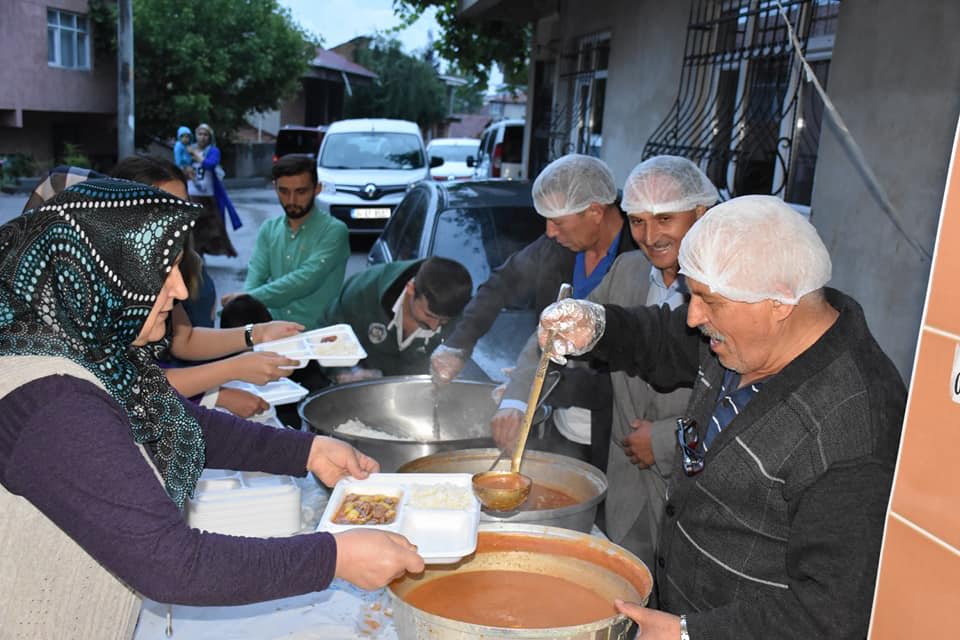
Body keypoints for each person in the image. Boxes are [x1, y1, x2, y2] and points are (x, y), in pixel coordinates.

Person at [0, 179, 424, 637]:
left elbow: (172, 418)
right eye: (160, 271)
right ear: (92, 278)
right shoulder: (55, 404)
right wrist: (334, 558)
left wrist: (306, 451)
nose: (181, 290)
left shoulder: (88, 354)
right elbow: (170, 562)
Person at [538, 195, 906, 639]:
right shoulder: (743, 337)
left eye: (708, 300)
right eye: (692, 294)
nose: (694, 316)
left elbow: (831, 615)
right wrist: (597, 326)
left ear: (779, 301)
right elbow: (663, 338)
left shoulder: (854, 428)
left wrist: (690, 633)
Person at [495, 156, 719, 573]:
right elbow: (561, 326)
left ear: (702, 213)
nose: (650, 236)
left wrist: (667, 439)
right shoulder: (628, 269)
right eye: (638, 222)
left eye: (665, 219)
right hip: (626, 486)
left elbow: (748, 394)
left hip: (692, 489)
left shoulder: (728, 287)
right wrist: (516, 399)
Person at [430, 153, 637, 463]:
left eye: (558, 221)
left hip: (617, 434)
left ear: (595, 211)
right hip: (564, 425)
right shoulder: (556, 249)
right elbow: (502, 284)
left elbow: (622, 368)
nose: (550, 231)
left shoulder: (639, 260)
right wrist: (458, 344)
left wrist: (533, 388)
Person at [221, 154, 349, 330]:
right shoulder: (269, 229)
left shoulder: (334, 230)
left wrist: (247, 298)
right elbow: (254, 278)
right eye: (284, 191)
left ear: (317, 189)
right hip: (275, 335)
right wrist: (243, 304)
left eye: (301, 192)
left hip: (320, 335)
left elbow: (305, 280)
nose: (291, 200)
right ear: (275, 188)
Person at [316, 257, 473, 381]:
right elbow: (326, 335)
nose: (434, 327)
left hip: (416, 397)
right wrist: (343, 373)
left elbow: (461, 350)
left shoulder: (461, 315)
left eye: (443, 321)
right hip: (357, 392)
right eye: (429, 315)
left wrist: (454, 363)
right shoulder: (362, 292)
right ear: (410, 289)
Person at [188, 122, 241, 257]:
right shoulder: (189, 149)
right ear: (196, 135)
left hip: (209, 195)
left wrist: (197, 156)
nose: (202, 137)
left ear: (209, 137)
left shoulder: (213, 151)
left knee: (215, 226)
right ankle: (196, 253)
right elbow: (181, 164)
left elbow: (210, 164)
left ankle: (218, 249)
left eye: (205, 135)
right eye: (200, 134)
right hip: (192, 193)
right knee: (193, 227)